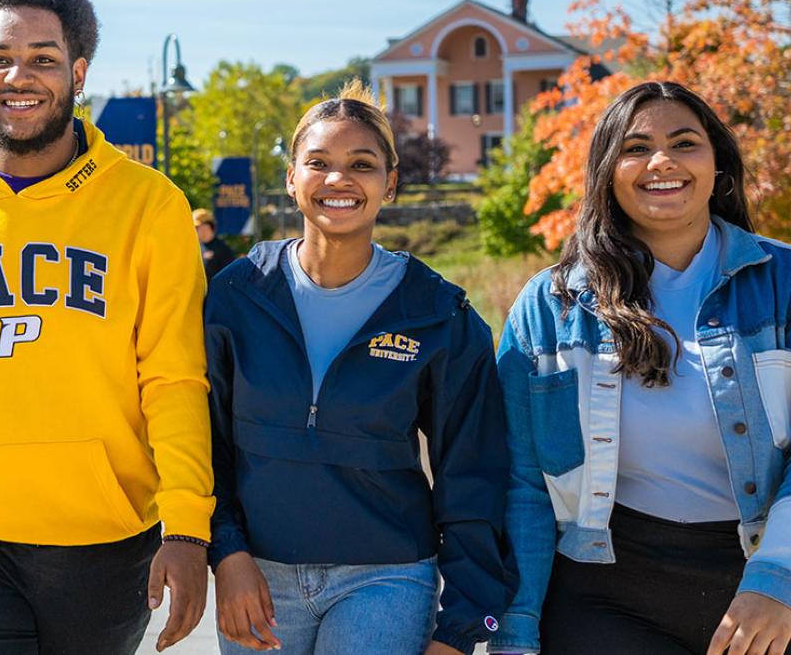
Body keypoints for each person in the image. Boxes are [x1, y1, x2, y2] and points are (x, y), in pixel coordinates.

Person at [0, 0, 214, 654]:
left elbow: (175, 378)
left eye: (43, 59)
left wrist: (186, 525)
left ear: (79, 72)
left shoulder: (149, 205)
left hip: (105, 535)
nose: (19, 76)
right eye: (0, 59)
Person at [206, 81, 516, 655]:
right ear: (291, 179)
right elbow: (206, 442)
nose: (338, 179)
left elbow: (472, 473)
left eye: (362, 164)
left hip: (387, 578)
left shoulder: (437, 312)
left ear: (390, 184)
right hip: (258, 577)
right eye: (318, 162)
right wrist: (226, 552)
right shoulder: (237, 295)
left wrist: (463, 627)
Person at [492, 81, 791, 655]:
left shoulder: (782, 282)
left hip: (759, 585)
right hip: (603, 595)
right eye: (635, 148)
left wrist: (777, 582)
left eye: (684, 143)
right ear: (607, 171)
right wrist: (515, 631)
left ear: (718, 166)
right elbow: (524, 486)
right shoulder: (549, 304)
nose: (662, 162)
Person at [195, 208, 238, 280]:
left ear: (206, 227)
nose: (193, 231)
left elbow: (231, 276)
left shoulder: (223, 249)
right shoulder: (197, 247)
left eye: (196, 227)